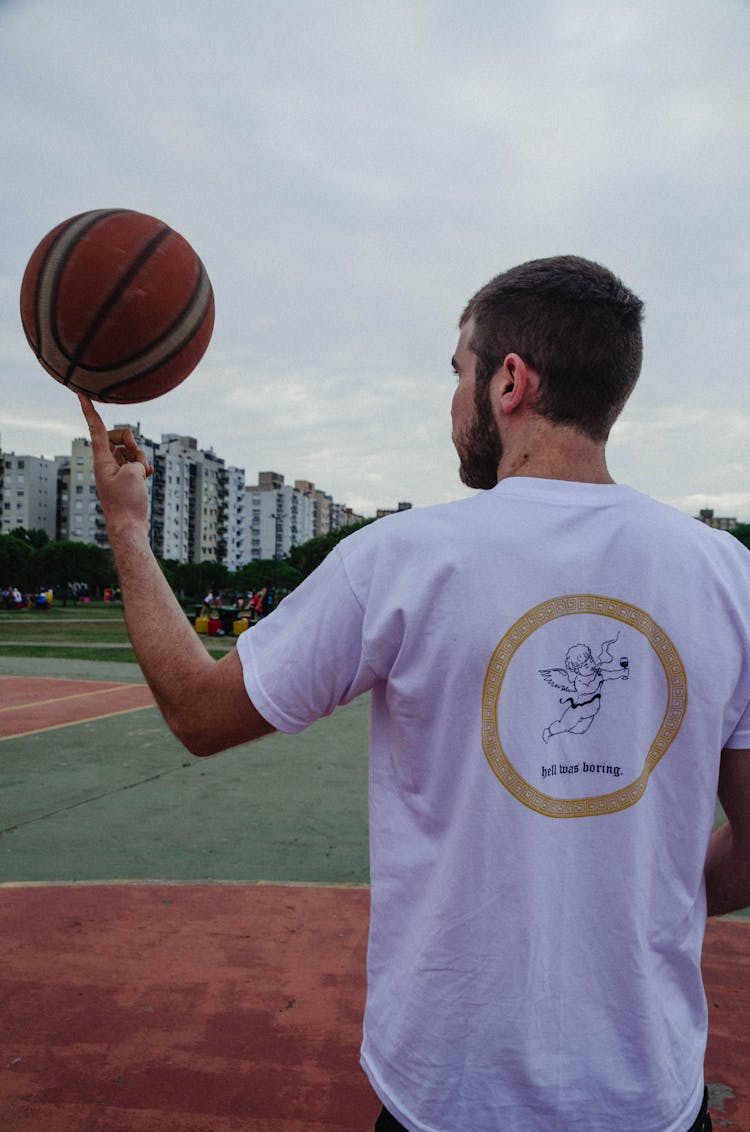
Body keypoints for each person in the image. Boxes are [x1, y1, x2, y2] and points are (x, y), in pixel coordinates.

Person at [79, 255, 750, 1132]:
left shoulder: (400, 559)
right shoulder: (727, 576)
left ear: (510, 381)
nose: (452, 404)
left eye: (458, 373)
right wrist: (645, 893)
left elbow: (200, 714)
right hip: (646, 1094)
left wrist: (128, 527)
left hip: (451, 1094)